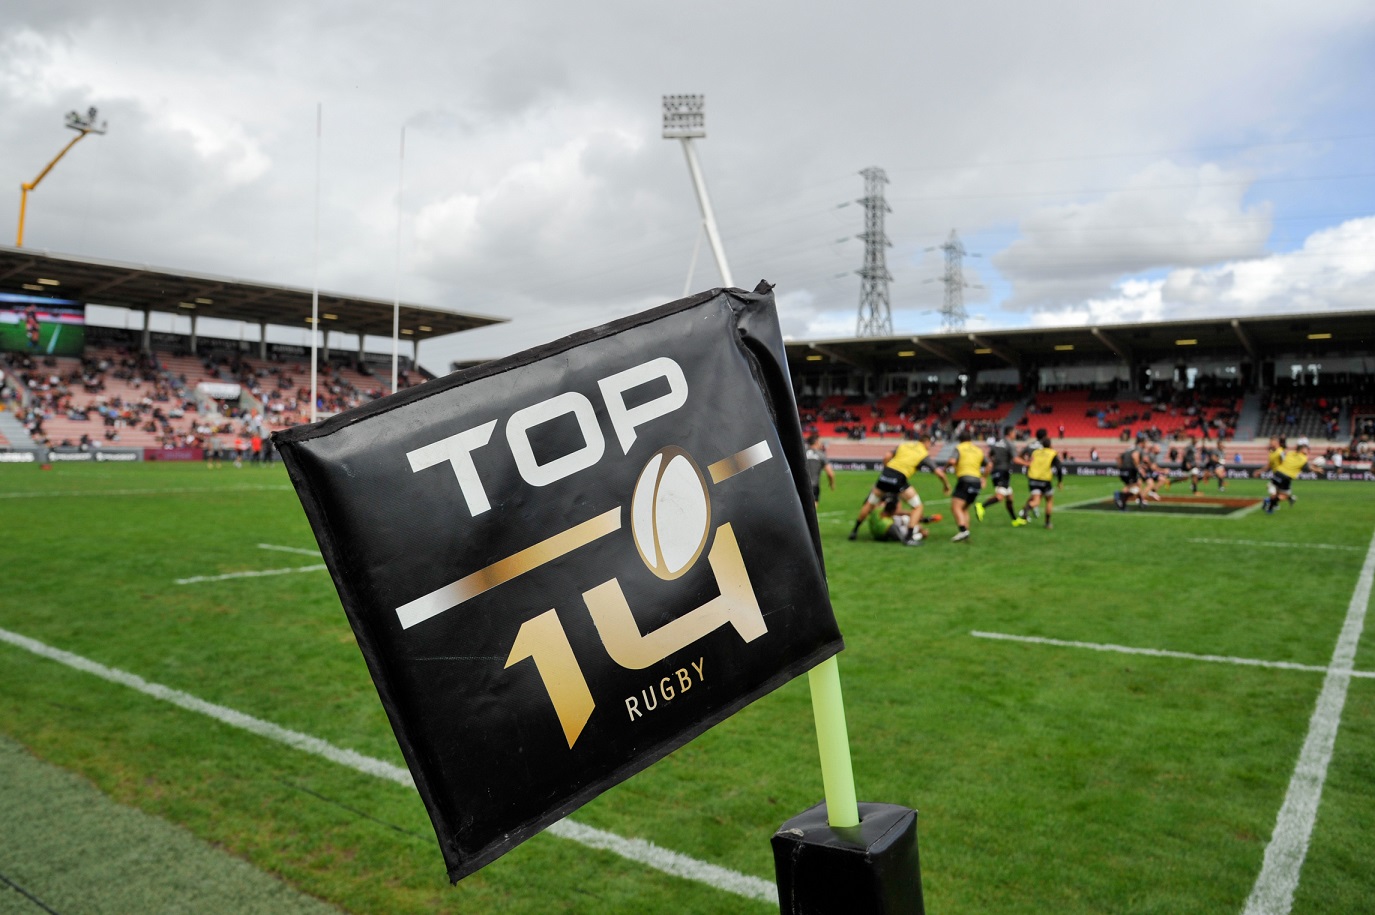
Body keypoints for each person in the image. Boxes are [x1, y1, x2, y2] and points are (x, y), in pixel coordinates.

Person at [848, 431, 950, 540]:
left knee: (870, 503)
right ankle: (909, 537)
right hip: (899, 477)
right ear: (927, 442)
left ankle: (854, 531)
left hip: (886, 474)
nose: (929, 447)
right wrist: (946, 485)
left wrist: (886, 469)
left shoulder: (905, 445)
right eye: (930, 445)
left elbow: (887, 456)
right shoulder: (923, 454)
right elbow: (939, 473)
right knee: (917, 507)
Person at [946, 429, 988, 542]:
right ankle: (966, 534)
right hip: (976, 482)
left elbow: (952, 461)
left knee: (955, 507)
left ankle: (963, 530)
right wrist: (984, 477)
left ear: (960, 440)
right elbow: (989, 464)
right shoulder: (978, 450)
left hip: (965, 480)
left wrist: (945, 468)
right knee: (964, 509)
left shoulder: (959, 448)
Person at [1013, 432, 1061, 529]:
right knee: (1049, 500)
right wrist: (1060, 481)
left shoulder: (1036, 452)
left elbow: (1029, 462)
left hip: (1033, 478)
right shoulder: (1052, 453)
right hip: (1045, 479)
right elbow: (1059, 468)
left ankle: (1027, 508)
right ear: (1050, 444)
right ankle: (1047, 523)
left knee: (1036, 500)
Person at [982, 425, 1020, 523]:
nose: (1015, 434)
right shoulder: (1010, 444)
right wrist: (1029, 463)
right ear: (1010, 433)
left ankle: (1014, 520)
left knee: (1009, 497)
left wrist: (995, 463)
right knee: (1000, 497)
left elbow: (990, 455)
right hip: (1002, 472)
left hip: (999, 471)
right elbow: (1016, 459)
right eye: (1014, 432)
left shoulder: (997, 443)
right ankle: (981, 506)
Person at [1263, 442, 1309, 513]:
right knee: (1285, 495)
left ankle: (1270, 507)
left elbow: (1283, 457)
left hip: (1278, 473)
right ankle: (1269, 502)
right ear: (1302, 449)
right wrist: (1316, 469)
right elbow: (1307, 468)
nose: (1307, 451)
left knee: (1274, 490)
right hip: (1285, 476)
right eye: (1306, 449)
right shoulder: (1303, 458)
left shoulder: (1290, 453)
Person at [804, 433, 836, 509]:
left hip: (801, 485)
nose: (821, 444)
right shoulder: (821, 454)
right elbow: (830, 473)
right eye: (820, 442)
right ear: (816, 442)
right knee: (813, 507)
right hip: (813, 485)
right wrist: (832, 483)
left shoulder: (802, 453)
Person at [1113, 439, 1144, 510]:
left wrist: (1120, 467)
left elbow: (1119, 457)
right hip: (1130, 469)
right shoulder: (1138, 449)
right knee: (1132, 487)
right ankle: (1119, 496)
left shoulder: (1129, 448)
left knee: (1136, 484)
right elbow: (1134, 456)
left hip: (1124, 469)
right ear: (1142, 443)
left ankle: (1139, 501)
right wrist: (1138, 467)